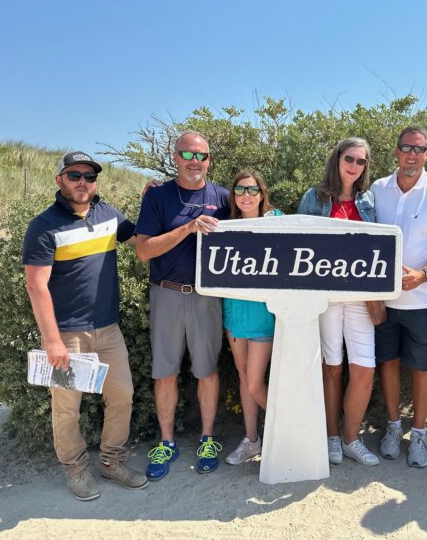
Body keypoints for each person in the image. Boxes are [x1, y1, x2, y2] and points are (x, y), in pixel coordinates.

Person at [23, 151, 149, 500]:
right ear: (60, 179)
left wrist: (149, 201)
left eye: (89, 177)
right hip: (67, 334)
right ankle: (76, 471)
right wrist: (52, 341)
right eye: (74, 175)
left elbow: (140, 239)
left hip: (108, 329)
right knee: (67, 408)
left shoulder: (108, 214)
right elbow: (36, 285)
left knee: (122, 395)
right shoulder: (44, 225)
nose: (83, 182)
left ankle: (112, 462)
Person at [135, 130, 229, 479]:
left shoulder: (221, 196)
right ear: (175, 157)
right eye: (188, 154)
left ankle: (207, 439)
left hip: (207, 295)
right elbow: (143, 250)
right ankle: (167, 442)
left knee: (207, 370)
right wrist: (188, 228)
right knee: (165, 372)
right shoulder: (158, 197)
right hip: (167, 293)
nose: (195, 162)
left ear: (209, 160)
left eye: (201, 156)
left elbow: (251, 220)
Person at [371, 126, 427, 468]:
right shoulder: (377, 188)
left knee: (422, 367)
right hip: (382, 301)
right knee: (387, 363)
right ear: (396, 151)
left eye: (419, 149)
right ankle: (393, 427)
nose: (412, 155)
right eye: (407, 147)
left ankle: (419, 432)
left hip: (423, 302)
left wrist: (424, 275)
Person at [297, 137, 380, 467]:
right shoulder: (314, 197)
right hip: (326, 297)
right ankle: (331, 437)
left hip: (361, 298)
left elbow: (381, 244)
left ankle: (351, 438)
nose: (355, 166)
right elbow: (298, 242)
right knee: (331, 368)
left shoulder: (369, 200)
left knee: (364, 368)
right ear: (338, 158)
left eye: (361, 161)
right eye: (350, 158)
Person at [223, 170, 281, 466]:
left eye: (252, 190)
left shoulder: (277, 221)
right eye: (240, 190)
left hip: (263, 316)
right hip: (234, 315)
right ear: (233, 195)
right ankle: (252, 439)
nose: (246, 195)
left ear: (262, 193)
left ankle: (288, 433)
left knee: (256, 383)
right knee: (245, 379)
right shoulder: (224, 227)